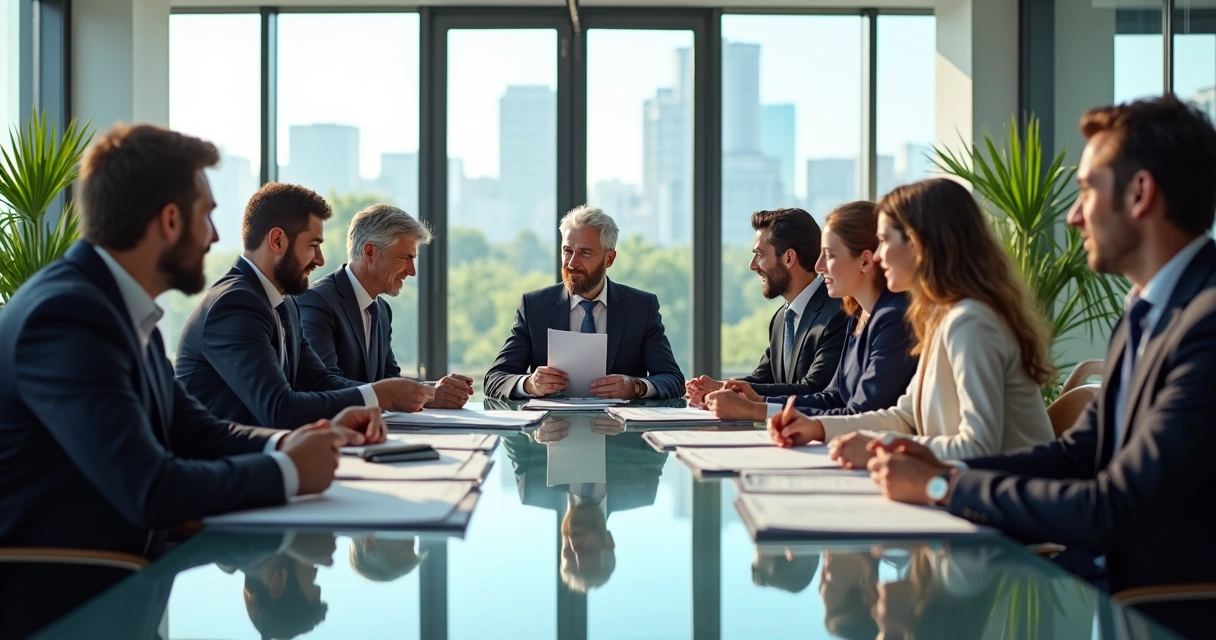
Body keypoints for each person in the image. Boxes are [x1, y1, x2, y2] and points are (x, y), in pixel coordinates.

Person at [864, 96, 1216, 640]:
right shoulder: (1144, 312)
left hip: (1160, 610)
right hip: (1105, 590)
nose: (1073, 216)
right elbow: (1077, 454)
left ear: (1140, 194)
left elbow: (1116, 506)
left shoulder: (1206, 323)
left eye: (1086, 191)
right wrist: (945, 472)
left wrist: (943, 486)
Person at [0, 124, 382, 560]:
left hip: (128, 573)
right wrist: (287, 472)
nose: (214, 236)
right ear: (170, 220)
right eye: (206, 215)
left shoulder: (113, 306)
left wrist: (286, 445)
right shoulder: (67, 315)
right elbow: (149, 488)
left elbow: (196, 431)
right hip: (75, 589)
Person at [769, 179, 1057, 466]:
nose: (878, 255)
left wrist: (879, 449)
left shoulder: (971, 322)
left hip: (1008, 489)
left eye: (884, 241)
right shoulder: (942, 316)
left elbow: (979, 447)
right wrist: (818, 427)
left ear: (919, 244)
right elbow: (904, 417)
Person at [175, 183, 442, 430]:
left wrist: (401, 393)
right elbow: (279, 408)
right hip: (223, 461)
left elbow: (319, 381)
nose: (320, 260)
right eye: (313, 245)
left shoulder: (285, 303)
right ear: (277, 241)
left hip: (263, 452)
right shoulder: (235, 303)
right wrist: (378, 395)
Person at [705, 201, 917, 422]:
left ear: (865, 261)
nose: (819, 266)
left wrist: (755, 410)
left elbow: (859, 412)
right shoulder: (856, 315)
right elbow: (833, 398)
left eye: (830, 255)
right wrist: (757, 400)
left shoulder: (887, 317)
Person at [483, 205, 684, 400]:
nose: (572, 263)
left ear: (609, 259)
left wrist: (636, 387)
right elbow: (495, 379)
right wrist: (529, 384)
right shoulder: (534, 307)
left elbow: (673, 379)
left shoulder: (641, 307)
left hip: (618, 422)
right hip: (552, 422)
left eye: (585, 253)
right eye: (567, 250)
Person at [297, 203, 472, 405]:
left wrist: (436, 389)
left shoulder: (381, 310)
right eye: (405, 257)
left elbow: (389, 380)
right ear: (370, 252)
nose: (412, 271)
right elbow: (324, 384)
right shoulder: (317, 301)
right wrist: (429, 394)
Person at [686, 208, 847, 402]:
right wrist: (716, 388)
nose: (753, 265)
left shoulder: (838, 313)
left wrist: (726, 389)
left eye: (760, 254)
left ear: (788, 258)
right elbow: (761, 379)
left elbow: (814, 389)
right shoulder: (781, 319)